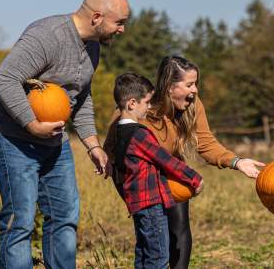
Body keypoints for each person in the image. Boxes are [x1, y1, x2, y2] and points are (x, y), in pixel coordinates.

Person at [0, 0, 129, 268]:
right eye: (119, 23)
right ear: (97, 17)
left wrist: (93, 146)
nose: (122, 30)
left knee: (65, 217)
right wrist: (32, 124)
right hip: (12, 139)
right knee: (20, 220)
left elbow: (81, 95)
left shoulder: (93, 48)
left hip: (54, 143)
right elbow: (5, 79)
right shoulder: (47, 36)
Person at [104, 56, 264, 268]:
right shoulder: (138, 109)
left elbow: (206, 143)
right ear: (169, 86)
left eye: (196, 83)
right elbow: (114, 154)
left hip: (173, 173)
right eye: (189, 84)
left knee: (179, 230)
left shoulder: (193, 105)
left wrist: (237, 162)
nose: (195, 90)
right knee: (152, 242)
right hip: (144, 182)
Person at [109, 72, 204, 268]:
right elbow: (166, 160)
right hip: (151, 203)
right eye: (147, 102)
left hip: (136, 204)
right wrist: (193, 178)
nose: (150, 107)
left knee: (143, 252)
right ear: (132, 103)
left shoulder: (118, 133)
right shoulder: (139, 134)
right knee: (158, 256)